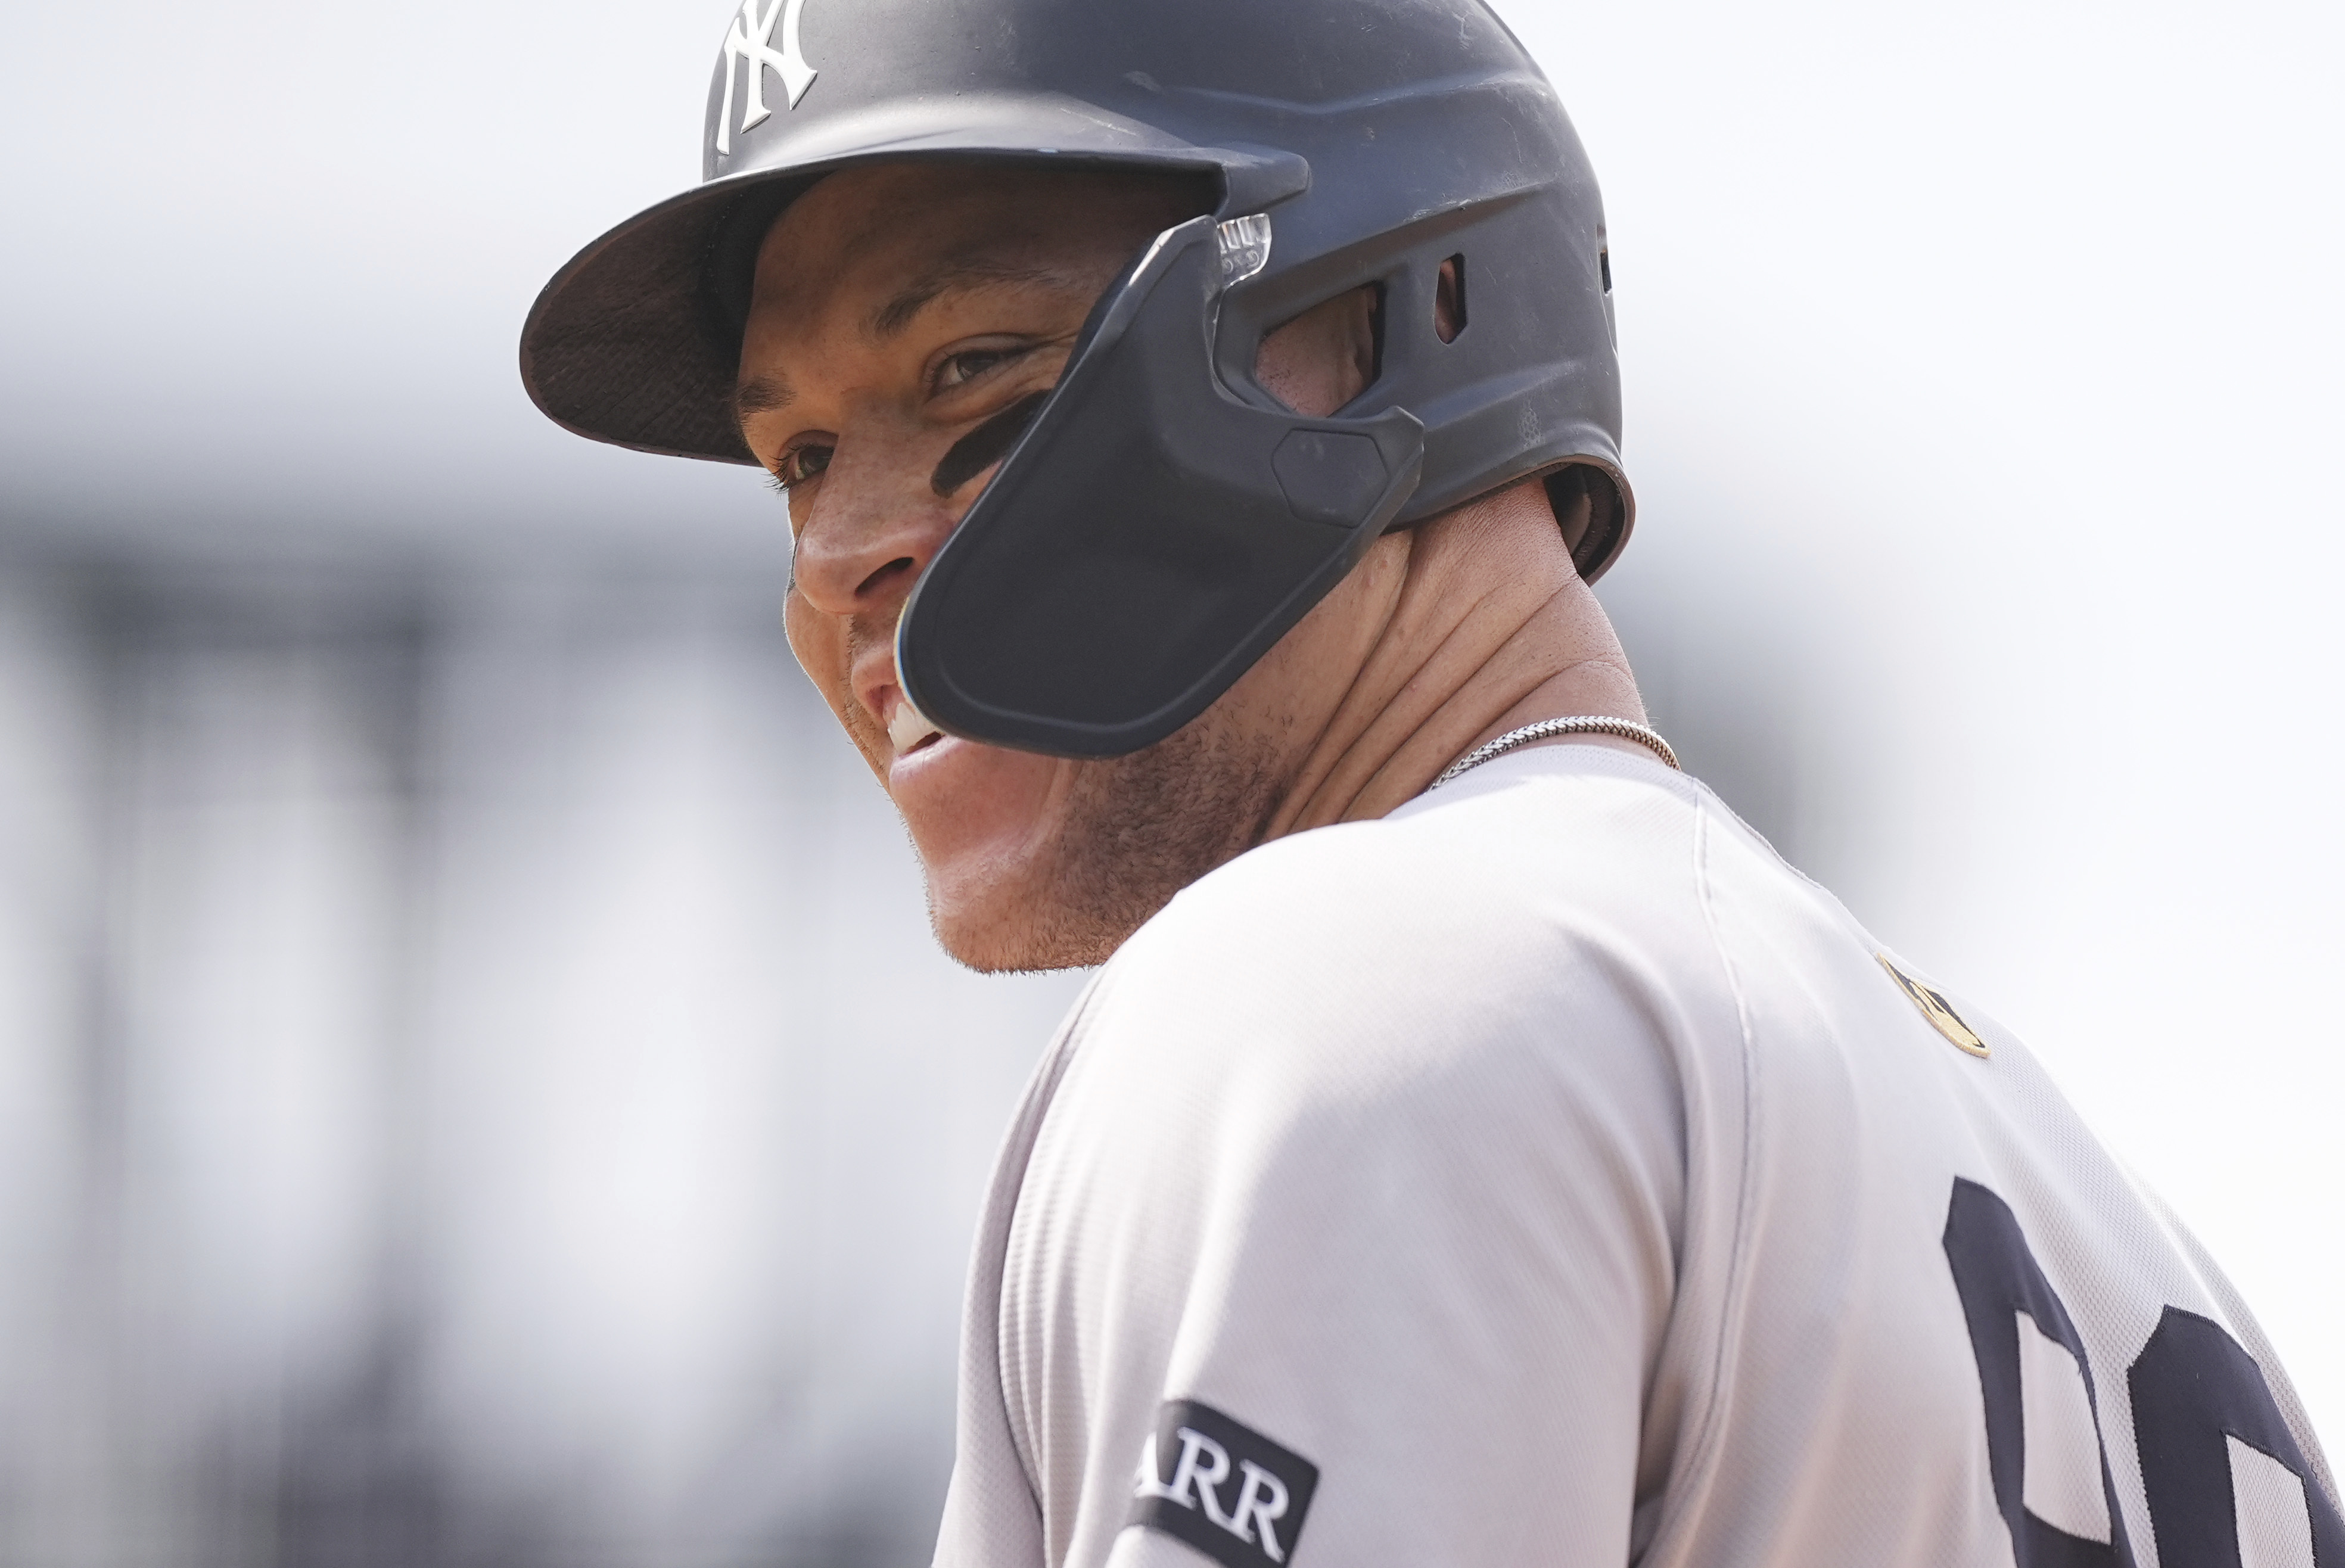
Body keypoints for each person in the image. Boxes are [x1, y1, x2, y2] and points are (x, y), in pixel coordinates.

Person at [521, 2, 2340, 1564]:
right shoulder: (2081, 1203)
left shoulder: (1362, 996)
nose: (840, 545)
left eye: (974, 372)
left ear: (1404, 315)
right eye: (801, 456)